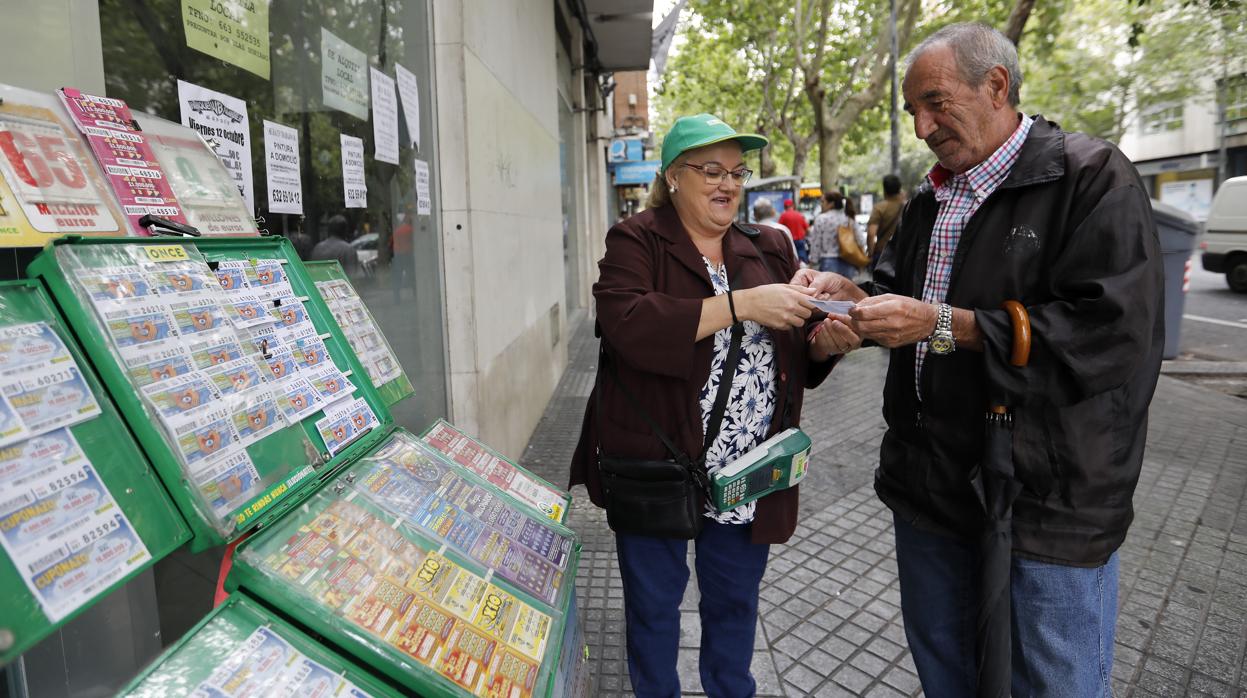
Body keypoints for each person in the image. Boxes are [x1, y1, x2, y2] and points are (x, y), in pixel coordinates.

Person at [795, 22, 1163, 697]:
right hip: (929, 492)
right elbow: (905, 303)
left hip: (1046, 504)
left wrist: (947, 326)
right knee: (947, 675)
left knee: (1052, 683)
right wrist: (856, 304)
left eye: (935, 102)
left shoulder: (1089, 178)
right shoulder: (927, 201)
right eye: (911, 111)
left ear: (996, 85)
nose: (921, 127)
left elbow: (1110, 334)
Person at [569, 113, 856, 698]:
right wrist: (743, 304)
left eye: (737, 171)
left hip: (746, 472)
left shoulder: (769, 245)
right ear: (673, 176)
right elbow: (625, 323)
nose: (728, 184)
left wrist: (825, 344)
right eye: (710, 170)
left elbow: (792, 349)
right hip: (658, 464)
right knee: (654, 613)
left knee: (733, 607)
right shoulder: (637, 239)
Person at [806, 190, 862, 277]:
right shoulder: (848, 219)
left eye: (823, 201)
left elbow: (816, 243)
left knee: (829, 289)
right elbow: (861, 240)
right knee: (846, 289)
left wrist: (812, 262)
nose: (821, 204)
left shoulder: (821, 219)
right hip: (848, 261)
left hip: (828, 262)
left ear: (831, 203)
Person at [867, 174, 905, 265]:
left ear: (884, 189)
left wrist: (871, 253)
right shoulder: (908, 206)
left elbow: (871, 233)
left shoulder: (879, 208)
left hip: (882, 253)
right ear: (899, 189)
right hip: (903, 252)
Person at [778, 197, 810, 263]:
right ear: (793, 206)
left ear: (785, 207)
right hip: (800, 240)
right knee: (802, 260)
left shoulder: (783, 216)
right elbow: (807, 229)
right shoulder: (800, 215)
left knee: (792, 260)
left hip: (789, 241)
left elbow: (779, 228)